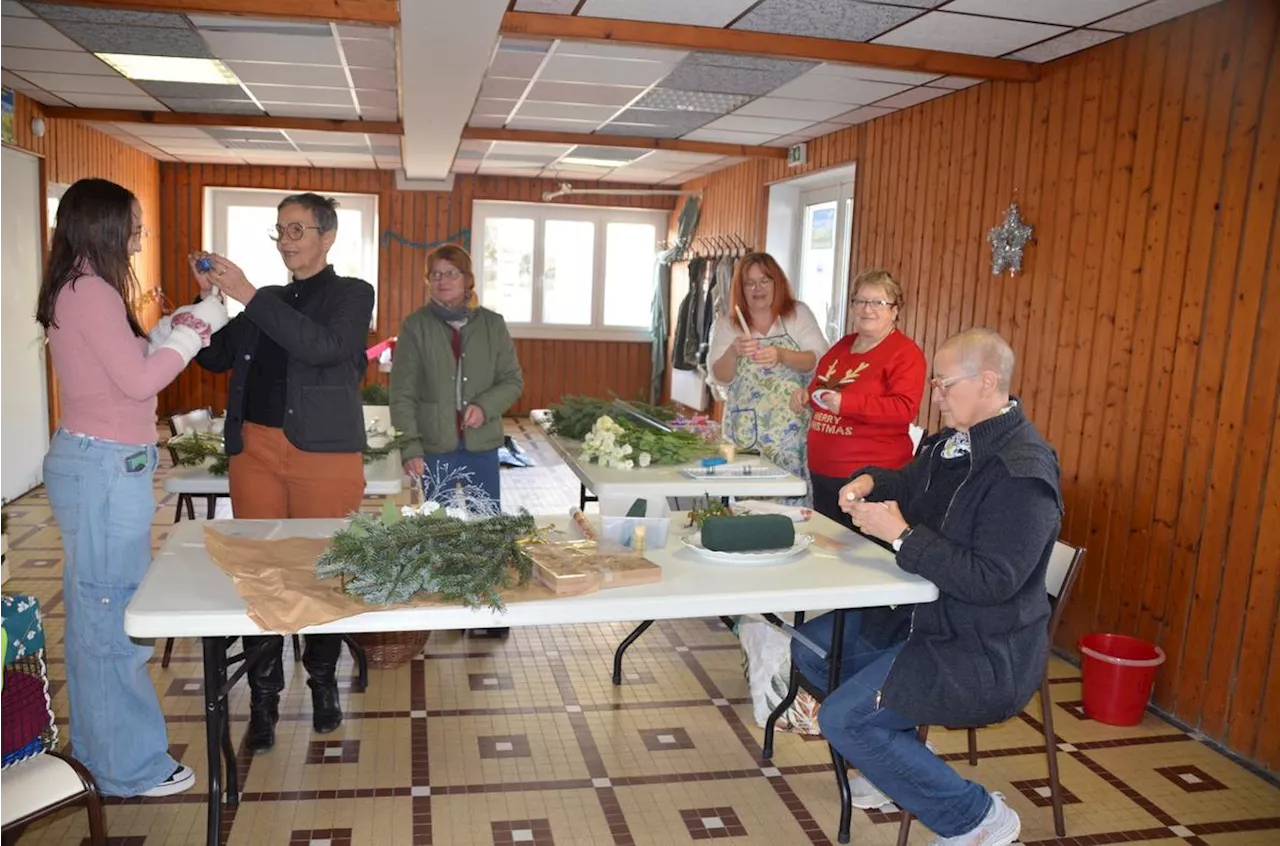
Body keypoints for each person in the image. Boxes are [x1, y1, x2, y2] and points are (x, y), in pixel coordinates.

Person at [791, 328, 1063, 846]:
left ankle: (977, 818)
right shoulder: (950, 445)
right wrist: (868, 481)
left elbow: (993, 580)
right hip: (924, 617)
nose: (934, 394)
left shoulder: (1021, 471)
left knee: (844, 720)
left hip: (980, 646)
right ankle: (899, 762)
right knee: (810, 649)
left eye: (943, 383)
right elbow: (908, 483)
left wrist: (903, 536)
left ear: (987, 382)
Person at [38, 177, 228, 797]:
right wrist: (193, 333)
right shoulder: (89, 290)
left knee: (99, 613)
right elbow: (142, 381)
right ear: (105, 227)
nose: (140, 236)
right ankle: (128, 769)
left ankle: (102, 755)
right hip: (101, 468)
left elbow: (127, 363)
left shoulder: (79, 285)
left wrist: (185, 321)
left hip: (96, 463)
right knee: (112, 616)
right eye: (135, 226)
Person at [190, 193, 375, 755]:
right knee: (261, 572)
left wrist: (247, 294)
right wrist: (208, 302)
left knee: (327, 570)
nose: (287, 239)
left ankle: (323, 685)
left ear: (328, 236)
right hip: (256, 452)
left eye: (297, 229)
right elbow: (216, 357)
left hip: (324, 453)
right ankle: (264, 698)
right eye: (280, 230)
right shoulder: (266, 299)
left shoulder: (351, 294)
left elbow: (324, 348)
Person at [792, 269, 925, 541]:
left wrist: (848, 404)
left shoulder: (905, 353)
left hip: (868, 482)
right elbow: (821, 389)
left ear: (895, 310)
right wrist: (807, 398)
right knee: (826, 554)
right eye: (861, 301)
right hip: (824, 475)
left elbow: (903, 409)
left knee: (860, 561)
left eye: (878, 302)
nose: (868, 309)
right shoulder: (842, 346)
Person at [390, 244, 523, 506]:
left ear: (467, 279)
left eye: (451, 273)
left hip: (482, 445)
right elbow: (402, 394)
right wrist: (410, 448)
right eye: (436, 274)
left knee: (486, 525)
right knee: (438, 528)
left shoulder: (492, 325)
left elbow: (512, 381)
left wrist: (485, 406)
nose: (442, 280)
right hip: (434, 448)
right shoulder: (416, 326)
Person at [706, 252, 827, 502]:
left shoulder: (797, 314)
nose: (757, 289)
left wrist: (783, 355)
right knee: (745, 505)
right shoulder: (727, 325)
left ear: (777, 283)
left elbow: (819, 360)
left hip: (791, 434)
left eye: (764, 281)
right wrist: (733, 351)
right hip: (745, 436)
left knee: (791, 505)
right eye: (750, 283)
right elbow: (720, 377)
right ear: (741, 288)